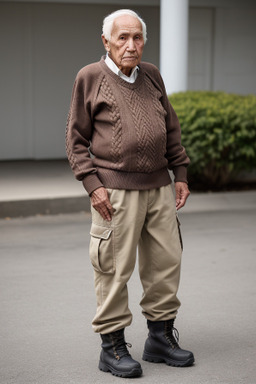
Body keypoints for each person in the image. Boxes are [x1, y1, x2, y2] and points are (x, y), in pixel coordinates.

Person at [66, 8, 194, 378]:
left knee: (166, 263)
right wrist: (93, 187)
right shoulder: (90, 77)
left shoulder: (152, 75)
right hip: (115, 191)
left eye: (137, 37)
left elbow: (170, 127)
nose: (131, 45)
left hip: (159, 187)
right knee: (113, 268)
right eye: (122, 37)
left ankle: (159, 337)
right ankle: (113, 347)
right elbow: (75, 141)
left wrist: (180, 171)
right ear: (105, 41)